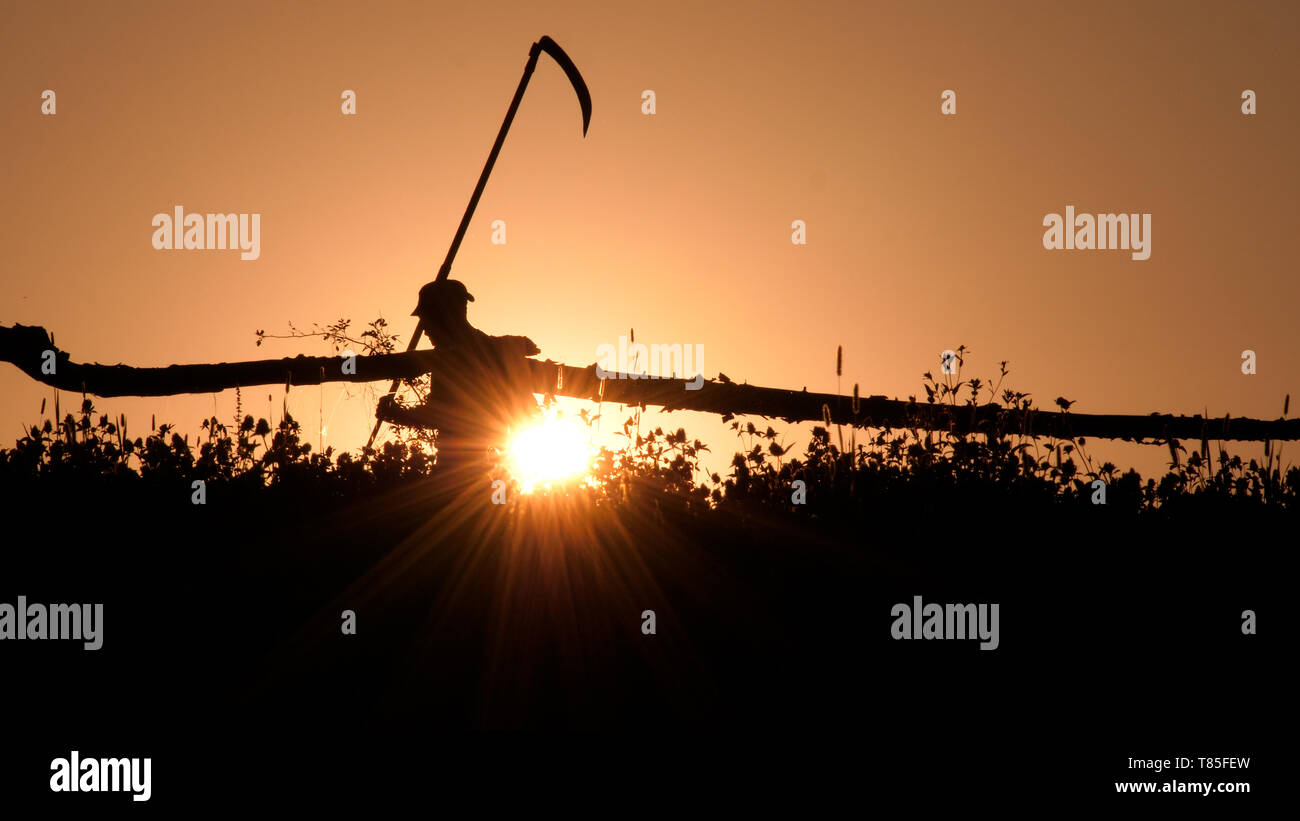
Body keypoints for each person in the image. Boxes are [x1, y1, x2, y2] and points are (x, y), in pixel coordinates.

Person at [377, 279, 541, 480]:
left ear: (442, 317)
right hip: (486, 466)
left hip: (461, 470)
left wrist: (395, 414)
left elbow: (447, 415)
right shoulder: (492, 347)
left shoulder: (454, 358)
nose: (425, 329)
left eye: (427, 319)